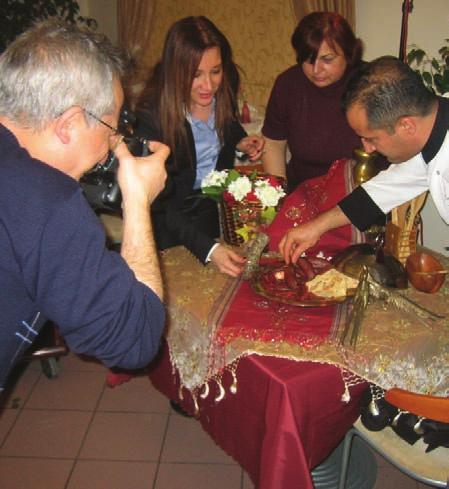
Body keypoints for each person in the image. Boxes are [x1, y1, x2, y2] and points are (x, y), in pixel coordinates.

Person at [0, 20, 171, 392]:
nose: (114, 143)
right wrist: (138, 201)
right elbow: (134, 340)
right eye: (111, 127)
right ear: (69, 124)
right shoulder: (50, 204)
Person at [279, 56, 443, 263]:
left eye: (372, 138)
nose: (368, 148)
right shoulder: (431, 135)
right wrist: (316, 226)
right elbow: (383, 190)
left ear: (407, 126)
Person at [135, 16, 264, 277]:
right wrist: (207, 248)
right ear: (176, 72)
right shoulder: (152, 117)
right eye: (195, 75)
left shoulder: (224, 86)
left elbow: (227, 120)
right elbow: (158, 202)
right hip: (168, 226)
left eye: (215, 71)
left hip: (212, 216)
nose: (209, 86)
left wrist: (239, 140)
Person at [261, 11, 364, 192]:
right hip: (302, 192)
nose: (316, 70)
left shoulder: (370, 83)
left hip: (357, 194)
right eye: (308, 60)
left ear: (349, 53)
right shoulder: (288, 84)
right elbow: (273, 143)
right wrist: (276, 194)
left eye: (327, 59)